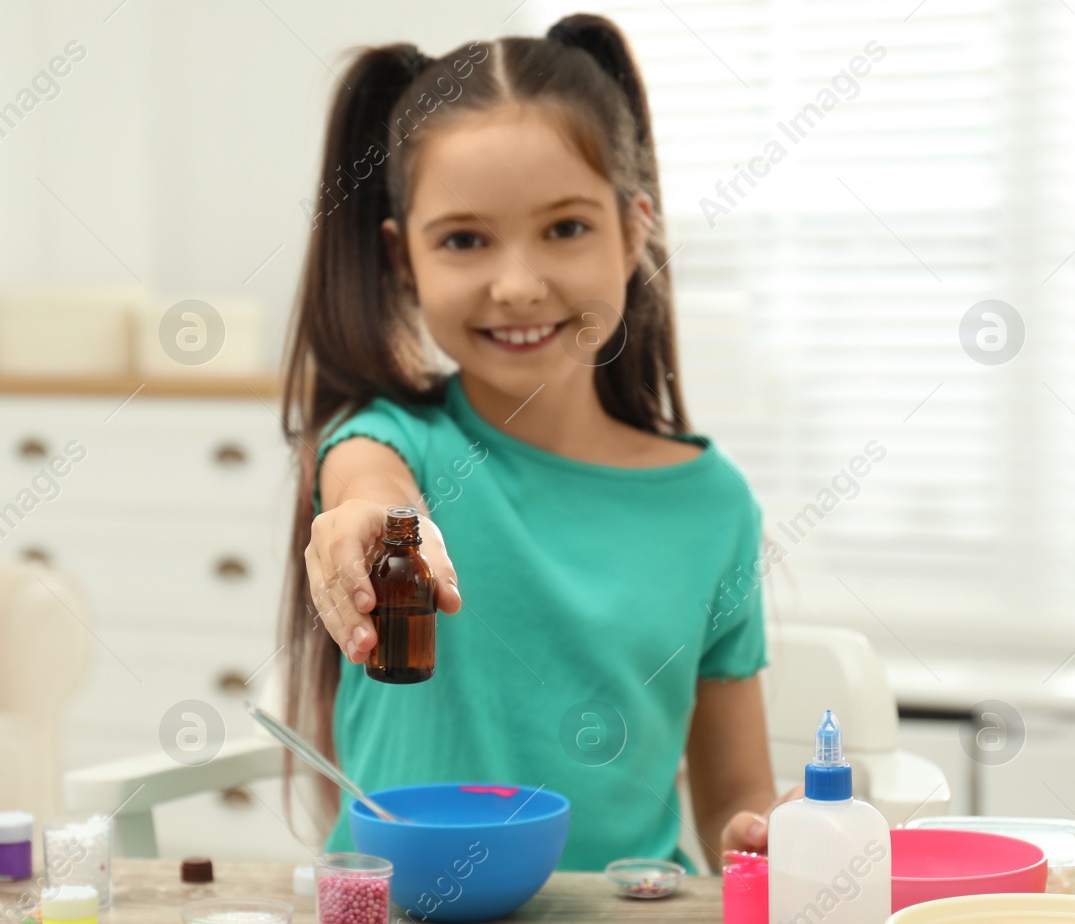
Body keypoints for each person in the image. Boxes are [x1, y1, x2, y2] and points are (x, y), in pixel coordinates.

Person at [278, 13, 790, 871]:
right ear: (405, 262)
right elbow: (368, 487)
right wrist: (368, 521)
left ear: (634, 232)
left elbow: (734, 793)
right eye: (465, 240)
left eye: (565, 228)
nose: (518, 285)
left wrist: (768, 834)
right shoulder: (390, 437)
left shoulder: (713, 505)